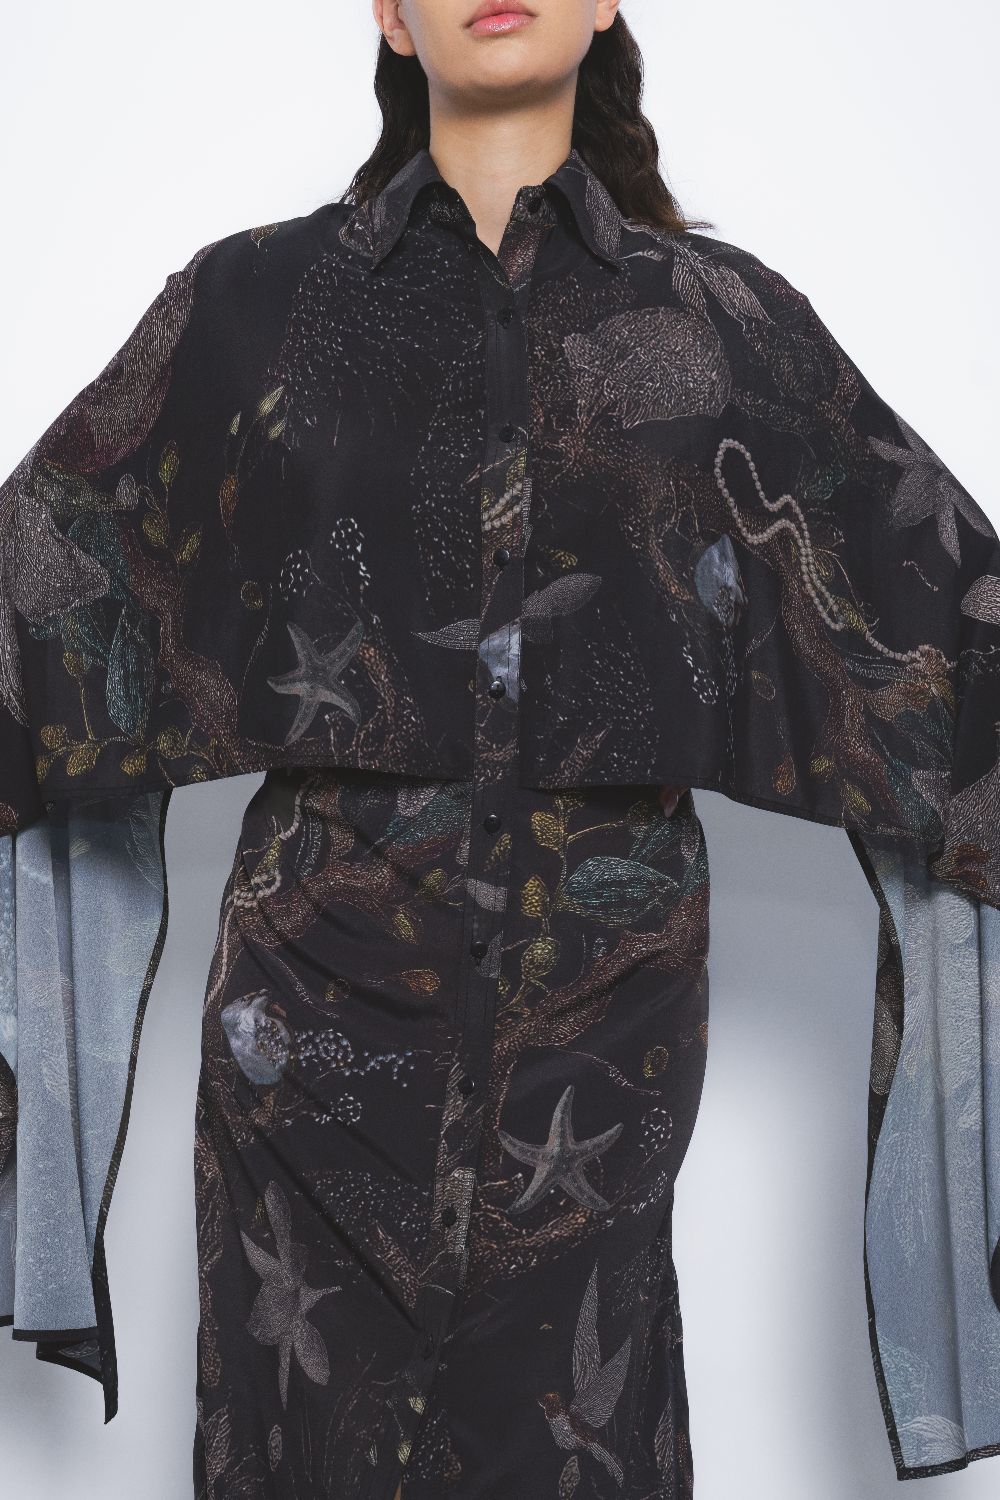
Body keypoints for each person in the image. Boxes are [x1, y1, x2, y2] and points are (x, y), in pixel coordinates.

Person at [2, 1, 999, 1497]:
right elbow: (39, 594)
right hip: (307, 1045)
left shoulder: (722, 322)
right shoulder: (255, 301)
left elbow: (952, 625)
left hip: (605, 1038)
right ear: (390, 19)